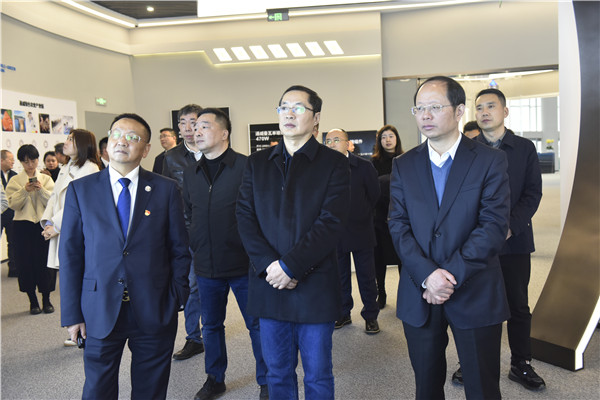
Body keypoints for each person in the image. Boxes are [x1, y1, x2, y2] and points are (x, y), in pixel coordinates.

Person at [388, 76, 511, 399]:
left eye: (434, 107)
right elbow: (398, 225)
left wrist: (448, 276)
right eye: (419, 108)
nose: (425, 115)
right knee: (426, 387)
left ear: (458, 111)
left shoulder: (490, 160)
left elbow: (493, 226)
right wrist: (428, 275)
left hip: (475, 288)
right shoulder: (404, 164)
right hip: (420, 290)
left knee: (482, 387)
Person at [59, 113, 191, 400]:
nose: (122, 141)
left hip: (154, 307)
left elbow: (179, 249)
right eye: (117, 134)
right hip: (99, 306)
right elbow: (70, 254)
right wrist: (72, 314)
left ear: (145, 149)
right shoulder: (81, 190)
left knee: (150, 389)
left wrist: (177, 295)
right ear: (107, 143)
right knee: (98, 389)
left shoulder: (165, 189)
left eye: (133, 137)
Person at [237, 85, 350, 399]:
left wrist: (290, 266)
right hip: (269, 283)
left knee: (317, 374)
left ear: (316, 118)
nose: (289, 113)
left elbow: (331, 222)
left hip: (314, 284)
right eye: (283, 107)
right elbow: (245, 217)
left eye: (298, 108)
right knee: (277, 373)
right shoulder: (257, 163)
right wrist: (270, 266)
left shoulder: (334, 163)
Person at [451, 88, 545, 391]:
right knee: (476, 304)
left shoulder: (524, 148)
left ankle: (521, 363)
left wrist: (508, 228)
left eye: (490, 106)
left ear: (505, 111)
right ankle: (472, 361)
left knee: (517, 305)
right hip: (476, 243)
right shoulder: (466, 148)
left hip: (514, 241)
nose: (484, 112)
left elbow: (532, 193)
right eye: (479, 108)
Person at [183, 108, 268, 400]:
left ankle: (267, 381)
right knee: (211, 326)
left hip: (244, 264)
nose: (196, 131)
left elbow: (262, 213)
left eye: (204, 126)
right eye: (195, 127)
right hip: (206, 265)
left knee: (256, 325)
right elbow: (188, 214)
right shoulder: (191, 173)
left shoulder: (247, 166)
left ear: (224, 133)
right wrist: (194, 242)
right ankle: (215, 379)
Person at [41, 130, 102, 346]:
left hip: (77, 230)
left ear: (82, 144)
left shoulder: (90, 168)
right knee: (69, 278)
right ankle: (76, 325)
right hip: (62, 227)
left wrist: (56, 225)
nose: (65, 143)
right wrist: (48, 222)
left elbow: (77, 204)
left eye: (70, 140)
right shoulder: (67, 167)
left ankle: (85, 327)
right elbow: (54, 198)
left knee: (80, 277)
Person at [325, 128, 381, 334]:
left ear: (348, 143)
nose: (331, 144)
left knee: (367, 276)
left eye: (336, 139)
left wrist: (362, 213)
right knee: (339, 276)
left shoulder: (364, 166)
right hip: (335, 231)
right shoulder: (323, 167)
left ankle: (371, 315)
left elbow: (374, 194)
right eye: (328, 141)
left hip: (361, 229)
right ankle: (343, 313)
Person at [163, 103, 205, 360]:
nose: (188, 128)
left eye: (194, 122)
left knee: (216, 284)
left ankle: (212, 331)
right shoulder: (171, 158)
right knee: (191, 284)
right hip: (185, 231)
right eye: (183, 123)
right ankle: (194, 338)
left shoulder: (214, 149)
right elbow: (165, 197)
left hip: (216, 232)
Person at [5, 145, 56, 314]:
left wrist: (41, 190)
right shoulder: (15, 180)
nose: (30, 165)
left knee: (45, 262)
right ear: (21, 162)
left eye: (33, 160)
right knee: (25, 263)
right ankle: (32, 301)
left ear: (37, 160)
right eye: (26, 162)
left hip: (42, 225)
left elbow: (53, 202)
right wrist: (24, 190)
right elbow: (13, 204)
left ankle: (47, 300)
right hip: (22, 226)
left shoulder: (46, 179)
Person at [370, 125, 404, 308]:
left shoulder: (405, 159)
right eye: (384, 137)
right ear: (379, 141)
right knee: (379, 258)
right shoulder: (373, 162)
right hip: (379, 216)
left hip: (401, 216)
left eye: (391, 136)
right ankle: (381, 293)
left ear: (397, 138)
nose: (388, 140)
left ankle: (404, 294)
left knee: (403, 258)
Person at [1, 150, 18, 277]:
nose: (13, 162)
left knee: (13, 242)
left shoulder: (15, 176)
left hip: (12, 214)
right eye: (10, 159)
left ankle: (13, 268)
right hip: (0, 213)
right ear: (1, 160)